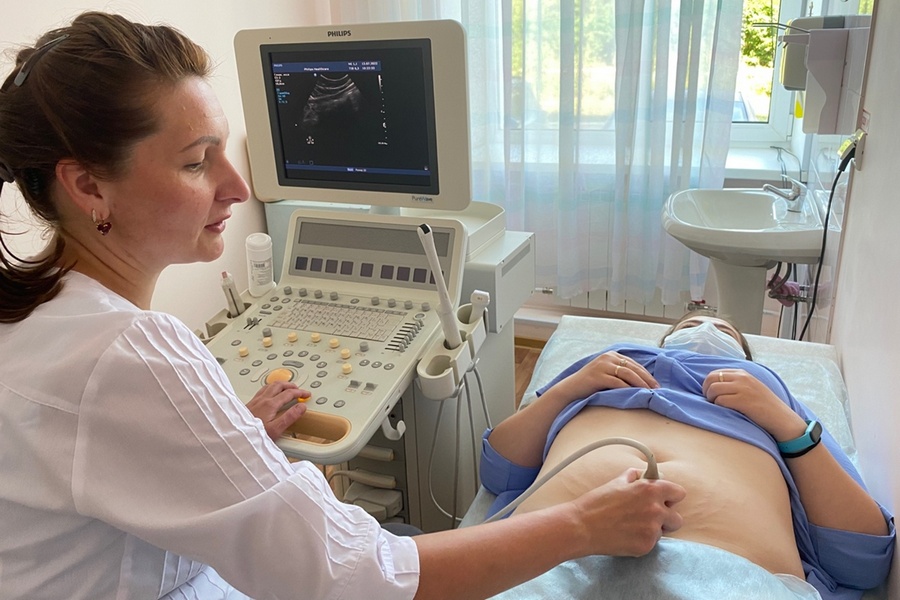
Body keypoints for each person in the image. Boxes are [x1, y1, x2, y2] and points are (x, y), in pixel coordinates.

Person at [0, 12, 687, 600]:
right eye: (195, 162)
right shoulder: (131, 355)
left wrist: (220, 440)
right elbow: (359, 577)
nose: (237, 187)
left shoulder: (38, 313)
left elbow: (100, 457)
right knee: (405, 535)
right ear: (87, 186)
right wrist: (583, 525)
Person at [481, 312, 895, 599]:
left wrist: (786, 424)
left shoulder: (769, 394)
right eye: (691, 325)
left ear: (745, 359)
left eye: (724, 330)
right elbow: (500, 470)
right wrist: (569, 387)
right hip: (550, 558)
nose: (706, 329)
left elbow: (862, 557)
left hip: (735, 580)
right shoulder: (611, 365)